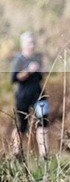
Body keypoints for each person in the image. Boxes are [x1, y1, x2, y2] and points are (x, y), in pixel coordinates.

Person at [10, 32, 49, 160]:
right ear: (23, 45)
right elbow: (14, 78)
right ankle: (17, 153)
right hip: (23, 96)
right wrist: (28, 71)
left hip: (38, 95)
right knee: (22, 126)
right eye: (29, 43)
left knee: (43, 122)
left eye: (33, 43)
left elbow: (45, 72)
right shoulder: (19, 59)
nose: (31, 46)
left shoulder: (38, 57)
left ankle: (45, 155)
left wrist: (42, 69)